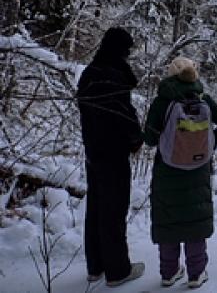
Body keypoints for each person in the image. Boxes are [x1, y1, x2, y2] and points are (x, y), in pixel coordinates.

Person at [144, 57, 217, 289]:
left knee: (168, 221)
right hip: (198, 171)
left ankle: (169, 273)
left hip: (167, 171)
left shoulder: (162, 102)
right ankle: (196, 274)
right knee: (195, 221)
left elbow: (150, 140)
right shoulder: (204, 99)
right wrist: (209, 145)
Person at [76, 27, 145, 287]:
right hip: (113, 153)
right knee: (114, 209)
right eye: (127, 49)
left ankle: (96, 266)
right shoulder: (113, 76)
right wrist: (136, 139)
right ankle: (118, 271)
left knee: (95, 207)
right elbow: (123, 113)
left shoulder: (89, 74)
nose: (128, 55)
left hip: (93, 151)